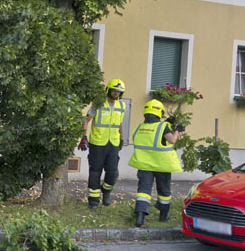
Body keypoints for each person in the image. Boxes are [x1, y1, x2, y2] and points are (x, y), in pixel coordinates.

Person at [127, 99, 184, 227]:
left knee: (143, 190)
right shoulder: (163, 127)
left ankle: (140, 217)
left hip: (144, 165)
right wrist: (177, 130)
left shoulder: (140, 128)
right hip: (161, 165)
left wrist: (166, 123)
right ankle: (163, 216)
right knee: (164, 191)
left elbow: (151, 135)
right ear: (160, 113)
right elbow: (172, 140)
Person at [78, 79, 127, 209]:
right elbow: (86, 120)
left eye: (119, 92)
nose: (116, 93)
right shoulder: (99, 103)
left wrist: (122, 138)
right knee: (95, 171)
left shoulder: (121, 106)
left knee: (112, 172)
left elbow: (119, 123)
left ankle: (106, 192)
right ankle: (93, 201)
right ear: (109, 90)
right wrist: (83, 137)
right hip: (97, 143)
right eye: (114, 90)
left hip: (113, 143)